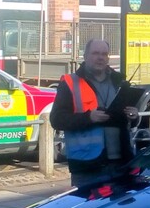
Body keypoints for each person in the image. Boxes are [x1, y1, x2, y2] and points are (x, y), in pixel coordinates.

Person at [50, 39, 140, 187]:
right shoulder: (70, 82)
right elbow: (57, 119)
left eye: (104, 54)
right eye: (96, 53)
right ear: (85, 56)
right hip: (88, 167)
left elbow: (127, 118)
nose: (100, 57)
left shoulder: (119, 80)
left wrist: (134, 116)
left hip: (122, 164)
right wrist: (89, 117)